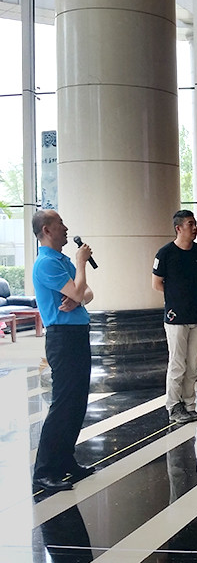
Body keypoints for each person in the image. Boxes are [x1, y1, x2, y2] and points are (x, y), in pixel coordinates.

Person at [31, 210, 96, 494]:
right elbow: (79, 292)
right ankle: (44, 471)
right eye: (60, 224)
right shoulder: (47, 263)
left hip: (77, 334)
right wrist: (81, 264)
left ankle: (65, 459)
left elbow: (87, 293)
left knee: (77, 402)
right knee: (63, 403)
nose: (66, 228)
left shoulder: (61, 260)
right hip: (62, 337)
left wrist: (77, 297)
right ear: (47, 230)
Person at [152, 210, 197, 425]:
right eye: (190, 224)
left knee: (192, 365)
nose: (194, 228)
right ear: (178, 228)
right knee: (177, 363)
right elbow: (156, 284)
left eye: (195, 224)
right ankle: (174, 405)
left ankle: (189, 404)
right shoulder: (165, 253)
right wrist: (176, 297)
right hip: (176, 317)